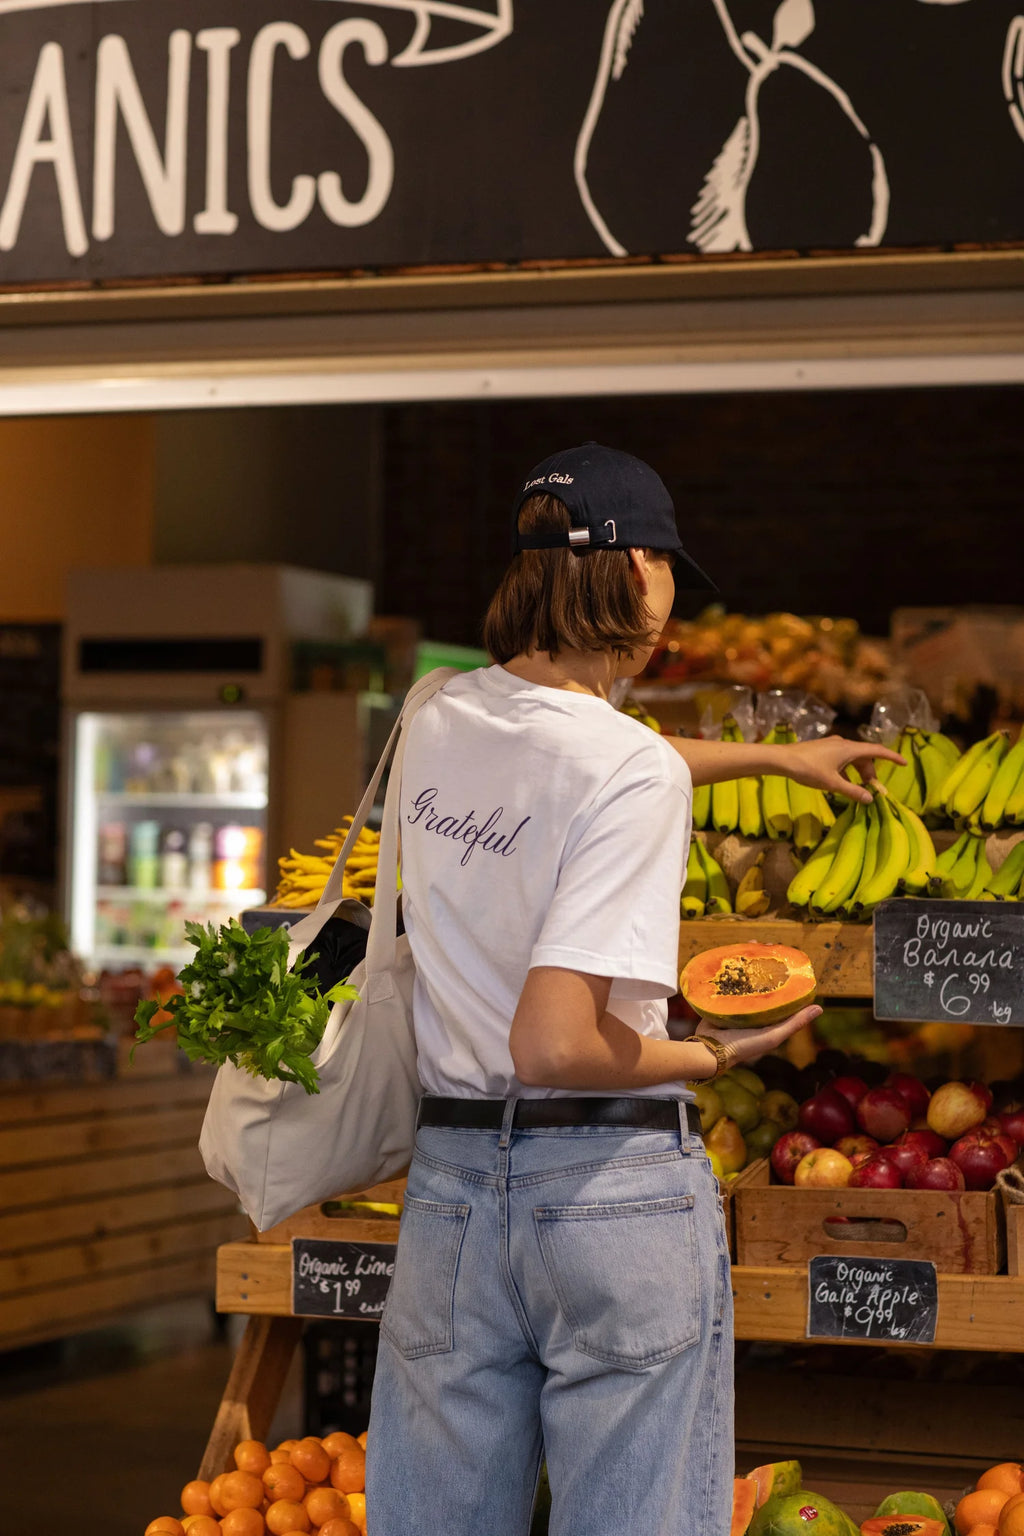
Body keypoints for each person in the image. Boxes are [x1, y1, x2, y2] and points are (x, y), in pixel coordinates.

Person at [365, 443, 901, 1536]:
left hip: (453, 1189)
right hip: (606, 1188)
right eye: (665, 570)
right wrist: (711, 1054)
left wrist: (770, 761)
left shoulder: (434, 714)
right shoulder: (628, 771)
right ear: (634, 572)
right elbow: (554, 1045)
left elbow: (573, 752)